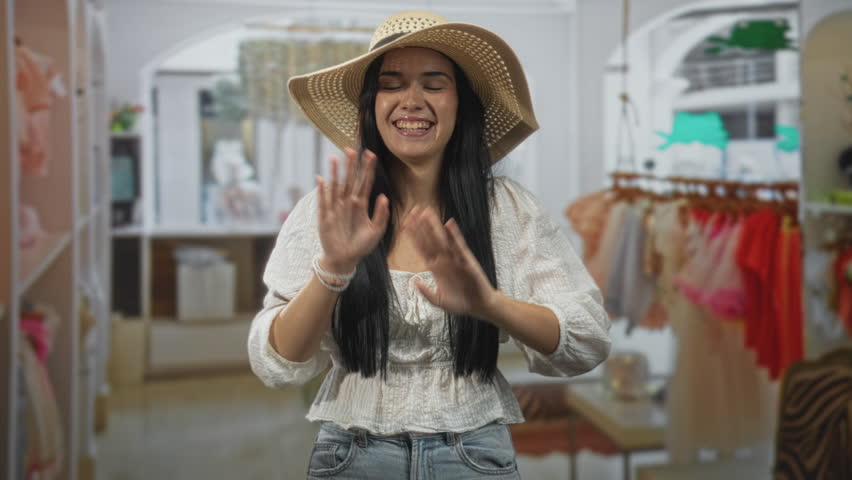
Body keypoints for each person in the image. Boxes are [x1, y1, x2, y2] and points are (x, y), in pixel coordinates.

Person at [247, 10, 611, 479]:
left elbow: (587, 341)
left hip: (474, 454)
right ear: (372, 105)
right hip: (351, 456)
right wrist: (333, 269)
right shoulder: (331, 209)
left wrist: (490, 304)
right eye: (392, 84)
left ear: (462, 104)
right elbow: (277, 365)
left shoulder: (509, 210)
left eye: (434, 84)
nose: (412, 100)